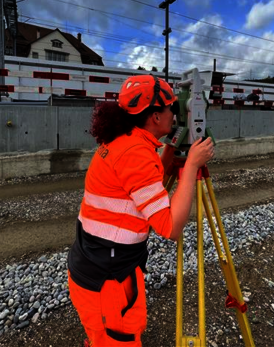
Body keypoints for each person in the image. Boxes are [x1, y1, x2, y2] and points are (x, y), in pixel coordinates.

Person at [68, 74, 214, 347]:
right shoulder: (135, 153)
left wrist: (171, 149)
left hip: (97, 267)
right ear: (156, 117)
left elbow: (145, 190)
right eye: (171, 107)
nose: (175, 113)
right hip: (107, 283)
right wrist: (191, 166)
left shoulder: (126, 141)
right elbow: (169, 227)